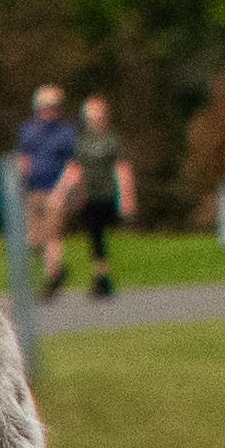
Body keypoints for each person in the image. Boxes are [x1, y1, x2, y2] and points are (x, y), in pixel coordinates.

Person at [66, 92, 139, 297]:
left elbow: (122, 168)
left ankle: (104, 276)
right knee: (94, 235)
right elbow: (75, 168)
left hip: (108, 193)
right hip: (88, 194)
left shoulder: (112, 140)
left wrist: (126, 196)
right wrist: (70, 192)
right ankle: (101, 276)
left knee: (104, 234)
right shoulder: (81, 142)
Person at [17, 83, 79, 290]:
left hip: (55, 189)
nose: (50, 110)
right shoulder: (28, 130)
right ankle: (53, 270)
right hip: (32, 189)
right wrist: (21, 180)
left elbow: (72, 165)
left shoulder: (66, 133)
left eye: (54, 106)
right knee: (33, 239)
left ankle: (53, 275)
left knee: (52, 234)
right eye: (46, 106)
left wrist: (62, 192)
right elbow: (24, 158)